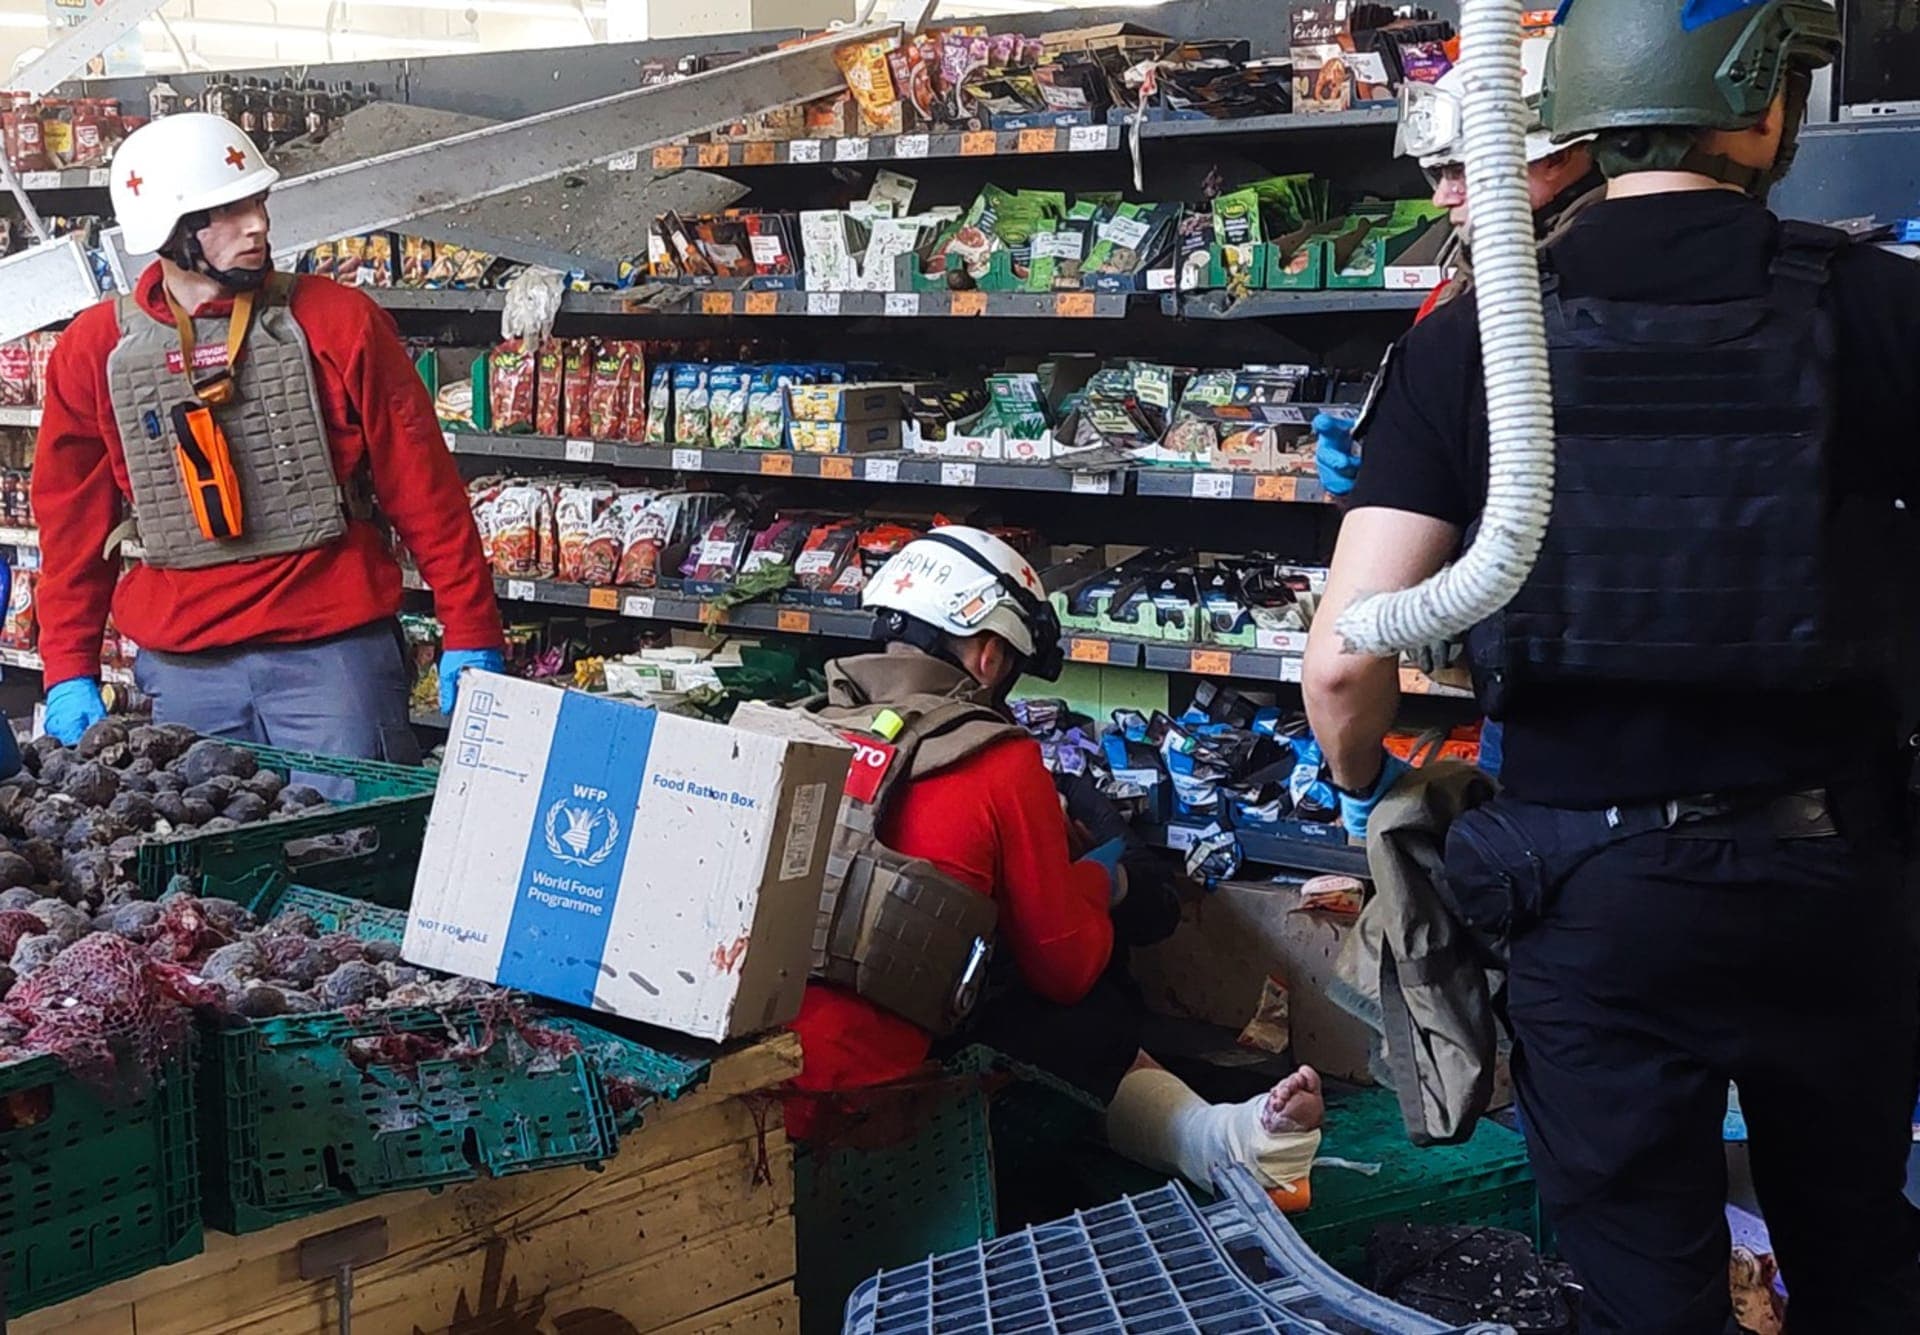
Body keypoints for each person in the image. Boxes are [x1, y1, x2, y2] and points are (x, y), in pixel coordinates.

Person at [1302, 0, 1920, 1328]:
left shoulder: (1470, 341)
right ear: (1769, 111)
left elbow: (1345, 662)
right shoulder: (1884, 304)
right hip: (1837, 877)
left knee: (1648, 1284)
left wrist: (1372, 792)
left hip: (1588, 894)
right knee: (1861, 1252)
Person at [792, 524, 1325, 1202]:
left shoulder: (799, 726)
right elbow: (1065, 967)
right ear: (988, 655)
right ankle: (1217, 1143)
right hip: (878, 1105)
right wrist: (1102, 878)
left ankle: (1218, 1137)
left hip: (755, 1078)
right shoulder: (997, 759)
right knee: (1078, 1010)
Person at [32, 114, 503, 769]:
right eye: (226, 209)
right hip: (184, 669)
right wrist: (67, 666)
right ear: (167, 232)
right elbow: (71, 525)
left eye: (257, 200)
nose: (258, 222)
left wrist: (471, 625)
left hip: (335, 658)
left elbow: (423, 485)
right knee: (204, 859)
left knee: (351, 857)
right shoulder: (94, 351)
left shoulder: (337, 321)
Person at [1313, 44, 1601, 498]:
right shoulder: (1450, 302)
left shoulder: (1621, 288)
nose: (1442, 198)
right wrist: (1380, 460)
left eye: (1461, 171)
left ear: (1558, 156)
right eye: (1439, 175)